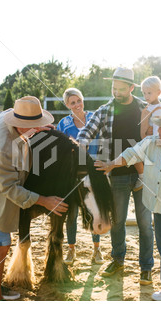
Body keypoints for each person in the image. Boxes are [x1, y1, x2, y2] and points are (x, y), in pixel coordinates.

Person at [0, 96, 69, 301]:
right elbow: (10, 189)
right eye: (31, 125)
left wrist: (33, 129)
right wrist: (44, 200)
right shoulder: (3, 146)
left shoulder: (8, 116)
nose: (35, 128)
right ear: (19, 124)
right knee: (2, 244)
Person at [95, 107, 161, 301]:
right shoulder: (151, 143)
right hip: (159, 206)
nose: (158, 131)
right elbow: (131, 153)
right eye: (159, 127)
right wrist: (111, 164)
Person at [77, 67, 154, 285]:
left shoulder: (144, 108)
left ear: (131, 88)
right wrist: (78, 146)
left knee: (145, 223)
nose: (116, 92)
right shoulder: (104, 110)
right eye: (114, 88)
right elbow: (86, 133)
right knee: (117, 221)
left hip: (143, 174)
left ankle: (146, 267)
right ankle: (118, 260)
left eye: (121, 89)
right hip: (115, 173)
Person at [57, 88, 104, 265]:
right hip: (72, 174)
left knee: (93, 211)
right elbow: (59, 148)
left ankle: (97, 249)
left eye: (79, 101)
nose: (77, 105)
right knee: (72, 213)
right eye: (72, 102)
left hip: (93, 171)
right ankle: (71, 250)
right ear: (67, 105)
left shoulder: (94, 117)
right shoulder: (64, 124)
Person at [133, 76, 161, 191]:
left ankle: (142, 177)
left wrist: (151, 139)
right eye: (144, 93)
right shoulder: (151, 106)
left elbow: (159, 131)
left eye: (149, 93)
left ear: (158, 92)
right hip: (147, 139)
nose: (146, 96)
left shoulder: (159, 111)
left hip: (152, 142)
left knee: (135, 155)